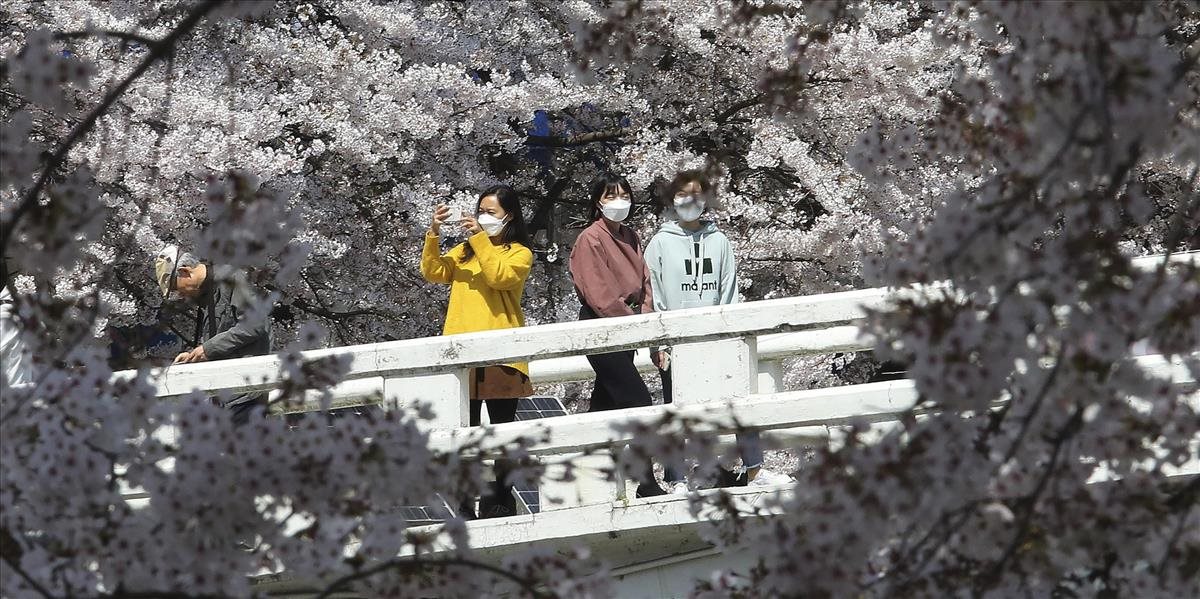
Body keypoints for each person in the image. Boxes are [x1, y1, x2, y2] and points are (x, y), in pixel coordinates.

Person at [644, 170, 792, 492]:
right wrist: (660, 343)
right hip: (677, 341)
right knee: (676, 409)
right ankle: (677, 479)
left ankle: (754, 469)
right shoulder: (659, 244)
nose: (689, 202)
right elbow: (653, 293)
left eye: (696, 195)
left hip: (718, 336)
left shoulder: (720, 241)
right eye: (682, 195)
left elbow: (729, 289)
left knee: (738, 403)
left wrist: (729, 333)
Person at [421, 185, 534, 518]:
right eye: (480, 210)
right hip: (461, 353)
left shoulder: (519, 252)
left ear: (509, 216)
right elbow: (434, 272)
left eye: (491, 212)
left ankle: (500, 497)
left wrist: (480, 240)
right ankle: (463, 502)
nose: (483, 218)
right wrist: (434, 233)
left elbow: (499, 277)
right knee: (464, 433)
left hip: (502, 354)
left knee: (502, 434)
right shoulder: (465, 251)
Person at [568, 172, 665, 498]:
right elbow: (599, 295)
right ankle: (646, 481)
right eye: (610, 196)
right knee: (636, 398)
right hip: (602, 327)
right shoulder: (590, 239)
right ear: (597, 202)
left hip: (628, 326)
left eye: (623, 195)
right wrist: (632, 322)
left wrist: (646, 322)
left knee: (605, 404)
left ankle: (587, 479)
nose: (618, 203)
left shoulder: (632, 236)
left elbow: (645, 283)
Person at [154, 246, 273, 426]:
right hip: (227, 395)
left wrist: (207, 349)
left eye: (175, 287)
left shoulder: (231, 279)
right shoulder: (209, 291)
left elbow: (255, 325)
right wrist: (195, 354)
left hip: (246, 393)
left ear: (185, 272)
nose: (179, 294)